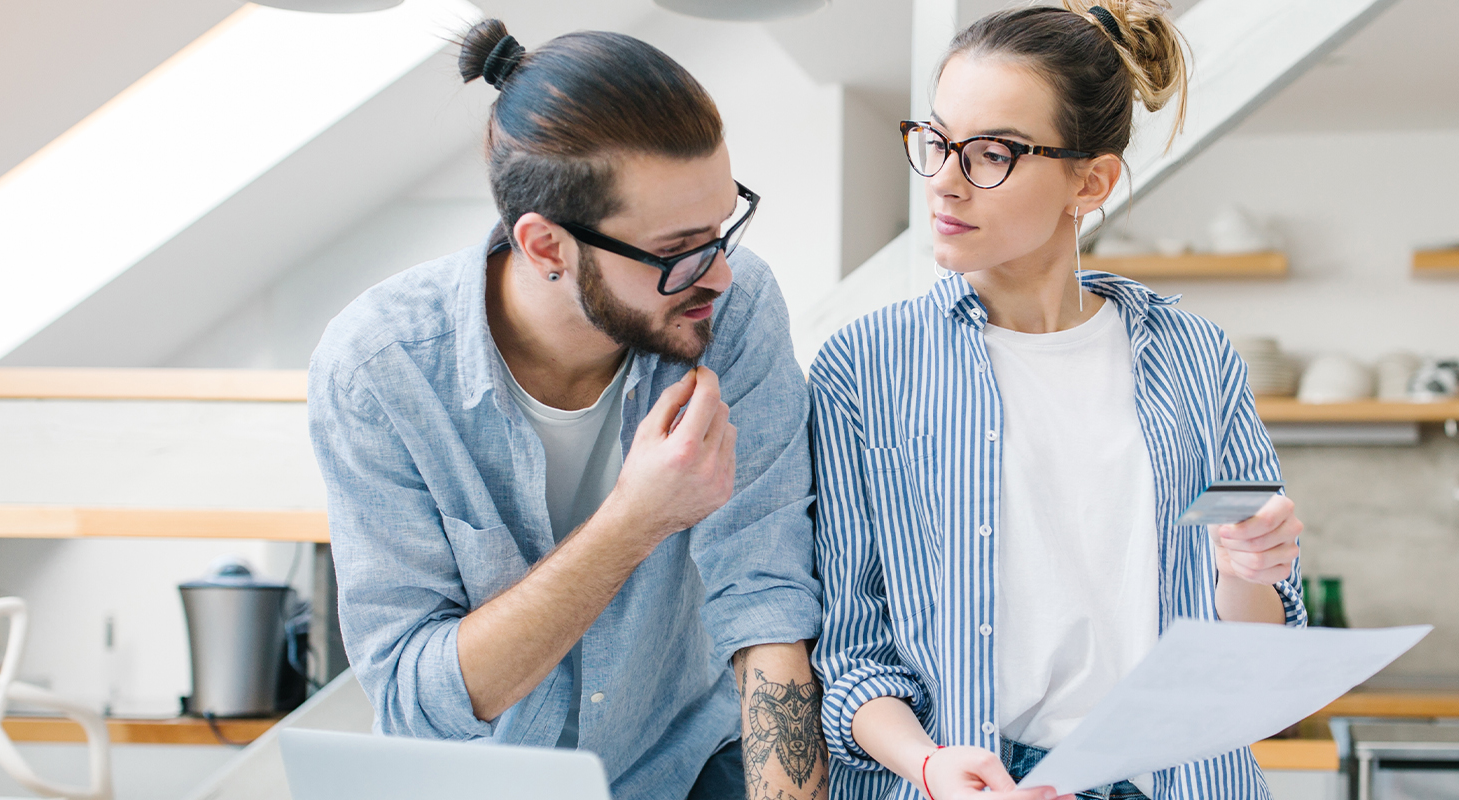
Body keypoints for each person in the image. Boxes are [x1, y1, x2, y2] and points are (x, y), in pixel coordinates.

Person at [307, 19, 825, 800]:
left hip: (682, 764)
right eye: (681, 247)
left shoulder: (734, 310)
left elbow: (766, 601)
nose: (718, 272)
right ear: (547, 246)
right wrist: (635, 520)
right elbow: (420, 702)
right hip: (480, 782)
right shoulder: (380, 372)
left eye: (725, 224)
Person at [809, 3, 1306, 799]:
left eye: (992, 154)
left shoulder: (1199, 360)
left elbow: (1252, 657)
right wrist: (930, 765)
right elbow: (851, 655)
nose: (942, 179)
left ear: (1092, 180)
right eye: (936, 142)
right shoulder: (862, 370)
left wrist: (1249, 567)